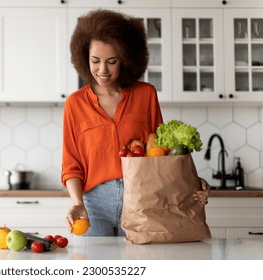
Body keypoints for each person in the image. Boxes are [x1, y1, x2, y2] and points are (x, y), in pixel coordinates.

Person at [61, 9, 210, 236]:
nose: (103, 70)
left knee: (142, 266)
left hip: (142, 200)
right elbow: (71, 165)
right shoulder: (75, 103)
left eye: (112, 61)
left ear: (126, 60)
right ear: (84, 58)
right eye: (95, 61)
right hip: (93, 207)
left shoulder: (146, 94)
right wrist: (77, 203)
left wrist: (190, 181)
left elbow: (162, 153)